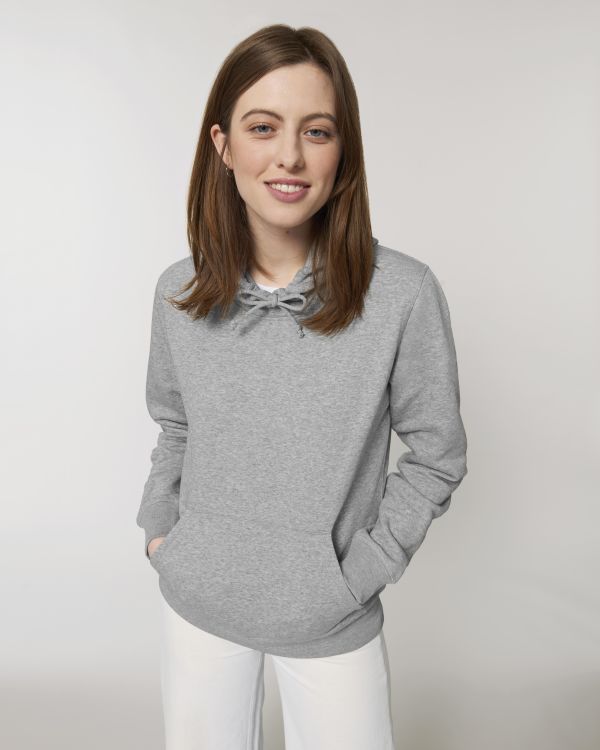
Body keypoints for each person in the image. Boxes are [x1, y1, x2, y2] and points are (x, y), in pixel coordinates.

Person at [136, 23, 468, 750]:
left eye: (316, 131)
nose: (289, 155)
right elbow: (176, 425)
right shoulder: (178, 293)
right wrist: (163, 535)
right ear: (223, 145)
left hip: (330, 615)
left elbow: (438, 455)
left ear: (342, 151)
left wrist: (357, 575)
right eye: (263, 127)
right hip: (197, 602)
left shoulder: (402, 294)